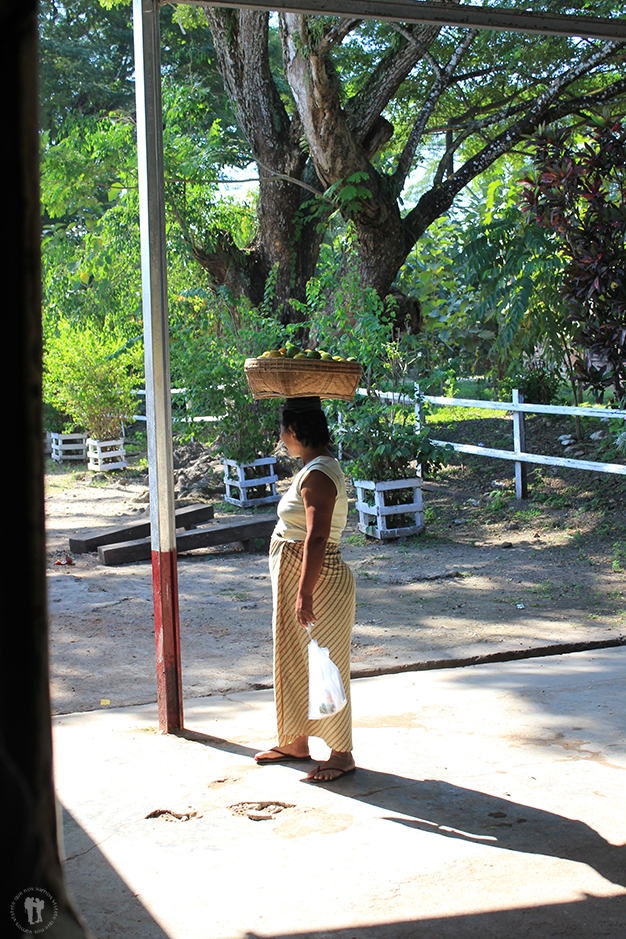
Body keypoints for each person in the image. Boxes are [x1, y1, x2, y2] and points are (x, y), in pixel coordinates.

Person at [255, 396, 356, 782]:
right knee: (294, 661)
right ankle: (295, 741)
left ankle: (341, 752)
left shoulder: (318, 475)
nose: (281, 438)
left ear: (295, 431)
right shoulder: (313, 469)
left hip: (319, 580)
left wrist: (305, 591)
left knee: (326, 665)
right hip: (302, 577)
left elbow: (317, 539)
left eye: (283, 431)